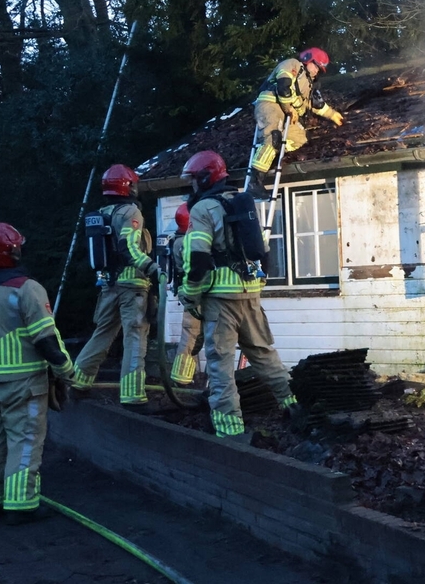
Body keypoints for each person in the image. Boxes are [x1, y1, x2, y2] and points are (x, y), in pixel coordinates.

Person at [0, 222, 75, 525]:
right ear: (12, 252)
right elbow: (46, 339)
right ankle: (21, 506)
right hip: (24, 384)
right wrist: (66, 371)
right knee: (24, 442)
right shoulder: (27, 289)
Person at [178, 150, 302, 440]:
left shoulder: (202, 209)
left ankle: (229, 428)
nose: (192, 186)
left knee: (220, 363)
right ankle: (294, 406)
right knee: (264, 354)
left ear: (206, 178)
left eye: (194, 180)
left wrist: (190, 294)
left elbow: (199, 260)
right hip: (249, 290)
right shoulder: (239, 201)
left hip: (220, 299)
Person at [72, 164, 160, 409]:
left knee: (103, 333)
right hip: (132, 285)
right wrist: (153, 268)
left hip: (109, 284)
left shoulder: (102, 212)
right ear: (129, 186)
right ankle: (132, 396)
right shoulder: (130, 211)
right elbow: (129, 248)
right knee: (135, 337)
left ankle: (78, 382)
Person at [246, 47, 344, 199]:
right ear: (308, 60)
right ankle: (254, 183)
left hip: (287, 114)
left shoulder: (309, 84)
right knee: (273, 137)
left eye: (320, 69)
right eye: (316, 66)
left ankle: (268, 157)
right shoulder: (292, 65)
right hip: (270, 105)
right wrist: (290, 109)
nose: (317, 71)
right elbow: (283, 88)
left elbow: (316, 104)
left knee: (300, 139)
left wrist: (332, 114)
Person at [168, 203, 204, 386]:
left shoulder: (177, 240)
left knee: (190, 335)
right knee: (192, 335)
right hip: (195, 293)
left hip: (188, 293)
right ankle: (182, 379)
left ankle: (181, 378)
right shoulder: (187, 242)